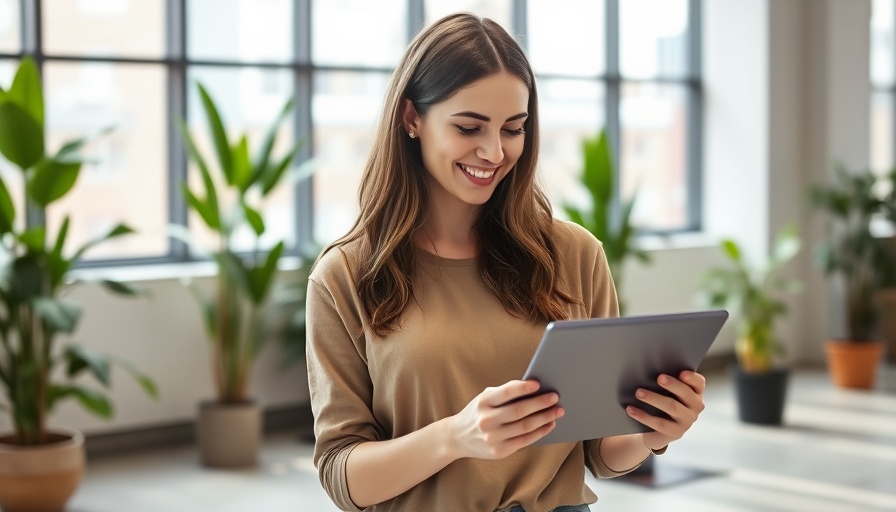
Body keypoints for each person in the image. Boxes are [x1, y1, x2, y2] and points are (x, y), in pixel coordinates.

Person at [306, 12, 706, 512]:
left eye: (513, 128)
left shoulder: (575, 255)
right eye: (469, 126)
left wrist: (653, 431)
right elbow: (344, 477)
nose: (494, 151)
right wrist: (456, 437)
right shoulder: (345, 275)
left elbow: (603, 454)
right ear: (411, 118)